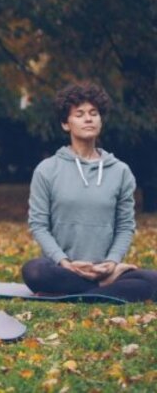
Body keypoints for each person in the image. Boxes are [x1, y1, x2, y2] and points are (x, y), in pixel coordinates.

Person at [22, 82, 157, 301]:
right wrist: (65, 262)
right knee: (34, 271)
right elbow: (38, 224)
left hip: (106, 268)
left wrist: (112, 263)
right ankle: (102, 289)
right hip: (61, 268)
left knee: (153, 281)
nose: (88, 118)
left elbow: (125, 226)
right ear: (66, 124)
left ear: (100, 120)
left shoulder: (120, 171)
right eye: (80, 114)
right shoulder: (47, 170)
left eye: (94, 113)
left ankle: (85, 288)